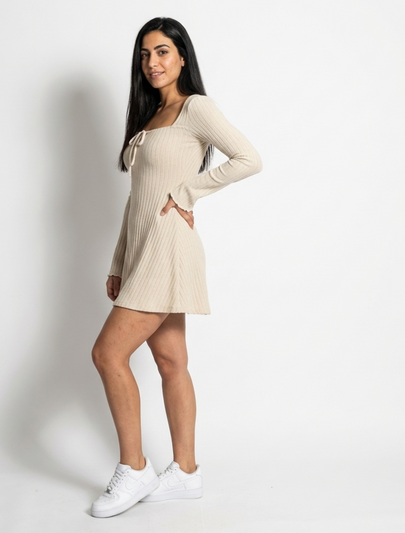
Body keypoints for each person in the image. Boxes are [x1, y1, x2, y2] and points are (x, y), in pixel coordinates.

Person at [90, 17, 263, 518]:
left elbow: (248, 158)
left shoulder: (195, 108)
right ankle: (186, 472)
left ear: (182, 56)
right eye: (145, 54)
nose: (153, 63)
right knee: (171, 362)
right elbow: (136, 200)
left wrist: (188, 193)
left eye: (163, 51)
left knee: (107, 354)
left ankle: (134, 467)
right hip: (143, 250)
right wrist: (119, 260)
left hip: (169, 246)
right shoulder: (150, 118)